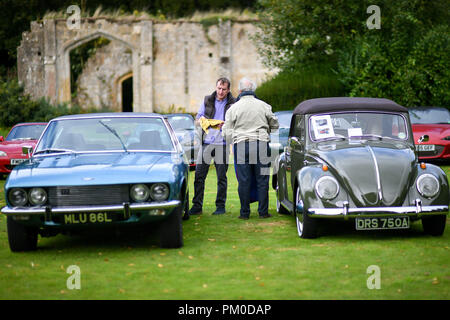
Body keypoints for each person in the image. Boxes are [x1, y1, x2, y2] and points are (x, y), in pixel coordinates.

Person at [222, 77, 279, 219]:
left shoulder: (233, 108)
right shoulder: (264, 106)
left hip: (241, 145)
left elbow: (226, 132)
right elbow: (275, 124)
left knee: (244, 180)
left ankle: (244, 213)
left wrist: (233, 140)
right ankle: (263, 212)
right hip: (261, 144)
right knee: (262, 179)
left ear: (240, 91)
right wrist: (267, 131)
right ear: (253, 90)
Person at [188, 77, 236, 216]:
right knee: (199, 176)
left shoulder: (233, 103)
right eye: (219, 88)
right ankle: (197, 206)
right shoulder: (207, 100)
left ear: (228, 90)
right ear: (216, 87)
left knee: (221, 177)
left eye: (224, 89)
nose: (220, 92)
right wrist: (204, 122)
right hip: (207, 143)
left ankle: (220, 206)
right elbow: (197, 121)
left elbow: (236, 122)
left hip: (223, 144)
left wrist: (226, 125)